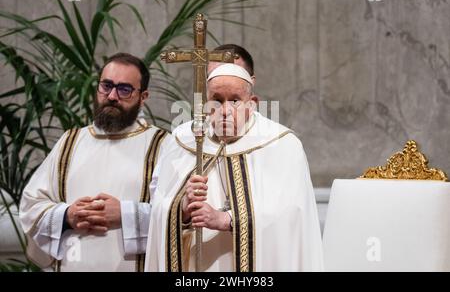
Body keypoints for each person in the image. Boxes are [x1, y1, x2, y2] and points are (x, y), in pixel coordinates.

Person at [145, 55, 323, 271]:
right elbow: (157, 207)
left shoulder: (282, 145)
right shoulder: (183, 140)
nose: (225, 110)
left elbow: (292, 216)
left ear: (252, 103)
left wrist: (227, 220)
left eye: (235, 100)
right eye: (217, 100)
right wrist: (182, 208)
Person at [19, 53, 171, 271]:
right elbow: (30, 206)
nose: (111, 96)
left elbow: (178, 215)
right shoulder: (69, 142)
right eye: (106, 85)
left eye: (124, 89)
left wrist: (125, 215)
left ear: (143, 96)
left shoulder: (162, 145)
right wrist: (66, 215)